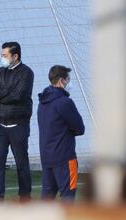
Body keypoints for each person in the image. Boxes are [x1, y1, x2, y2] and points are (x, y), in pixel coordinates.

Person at [0, 41, 34, 201]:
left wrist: (1, 94)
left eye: (5, 56)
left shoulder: (26, 73)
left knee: (22, 162)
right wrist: (7, 91)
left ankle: (25, 196)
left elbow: (19, 95)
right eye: (2, 55)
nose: (2, 58)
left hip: (18, 125)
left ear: (15, 56)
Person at [37, 65, 85, 201]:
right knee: (68, 196)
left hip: (46, 156)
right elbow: (80, 128)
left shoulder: (42, 102)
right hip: (64, 157)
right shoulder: (65, 103)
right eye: (68, 79)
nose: (69, 83)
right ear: (61, 81)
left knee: (47, 197)